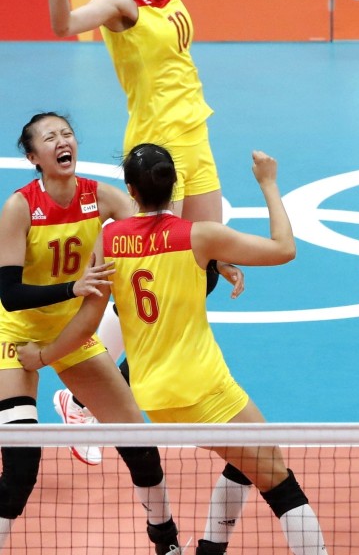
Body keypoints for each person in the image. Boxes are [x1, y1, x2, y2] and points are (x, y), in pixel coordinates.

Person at [17, 144, 328, 555]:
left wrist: (43, 356)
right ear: (175, 185)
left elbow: (88, 324)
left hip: (153, 396)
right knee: (279, 480)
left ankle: (209, 550)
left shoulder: (108, 238)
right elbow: (284, 248)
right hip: (203, 390)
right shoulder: (200, 236)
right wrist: (269, 184)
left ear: (131, 190)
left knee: (248, 460)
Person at [48, 0, 242, 453]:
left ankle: (112, 392)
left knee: (199, 273)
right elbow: (64, 24)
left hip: (196, 138)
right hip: (160, 150)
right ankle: (84, 400)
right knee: (152, 269)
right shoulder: (120, 3)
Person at [0, 113, 182, 554]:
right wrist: (73, 288)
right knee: (23, 466)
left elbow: (158, 229)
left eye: (66, 133)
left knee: (139, 443)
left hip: (73, 334)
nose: (63, 141)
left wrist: (213, 259)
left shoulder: (99, 196)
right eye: (50, 138)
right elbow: (8, 293)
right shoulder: (20, 207)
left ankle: (167, 540)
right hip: (16, 337)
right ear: (33, 157)